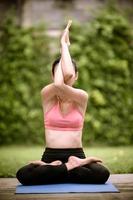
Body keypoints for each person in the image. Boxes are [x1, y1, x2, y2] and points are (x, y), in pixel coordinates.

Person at [16, 20, 110, 185]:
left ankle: (55, 170)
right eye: (59, 72)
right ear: (53, 76)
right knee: (22, 174)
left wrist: (64, 45)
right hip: (50, 156)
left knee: (102, 173)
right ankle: (69, 168)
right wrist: (64, 45)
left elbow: (64, 79)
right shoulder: (47, 94)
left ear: (77, 75)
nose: (67, 76)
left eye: (72, 74)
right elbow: (60, 83)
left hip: (77, 153)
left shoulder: (81, 96)